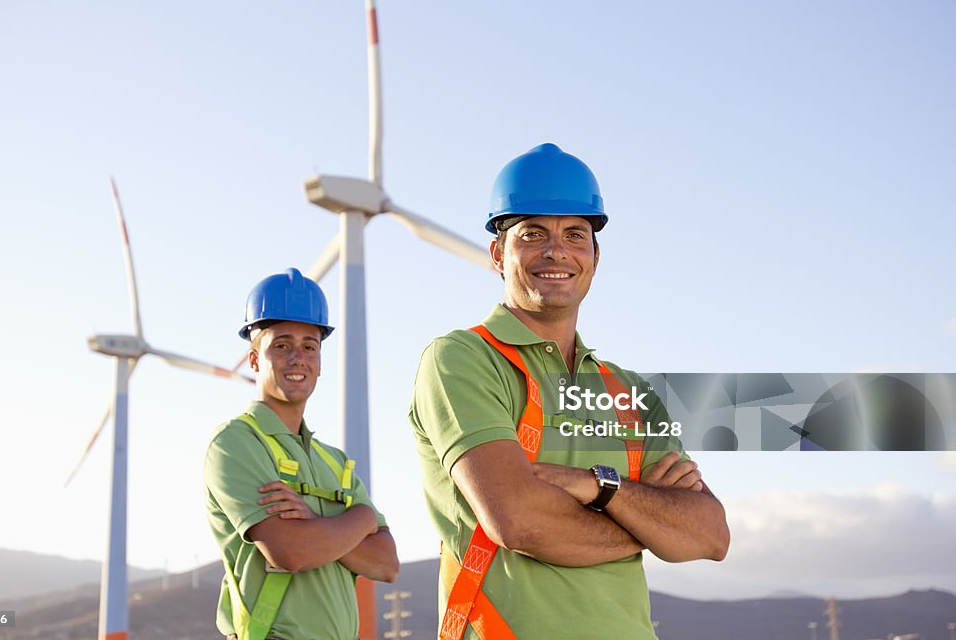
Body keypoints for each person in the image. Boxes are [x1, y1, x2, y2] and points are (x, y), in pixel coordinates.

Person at [409, 144, 730, 640]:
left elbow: (708, 534)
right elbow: (521, 522)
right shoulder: (462, 360)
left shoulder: (626, 389)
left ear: (595, 258)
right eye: (532, 233)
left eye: (574, 234)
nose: (555, 251)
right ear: (498, 253)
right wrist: (647, 526)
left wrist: (599, 487)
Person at [205, 268, 398, 640]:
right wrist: (360, 519)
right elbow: (291, 552)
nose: (297, 358)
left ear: (320, 362)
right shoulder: (237, 443)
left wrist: (314, 520)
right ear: (254, 359)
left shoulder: (335, 461)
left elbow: (387, 564)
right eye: (281, 345)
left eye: (309, 346)